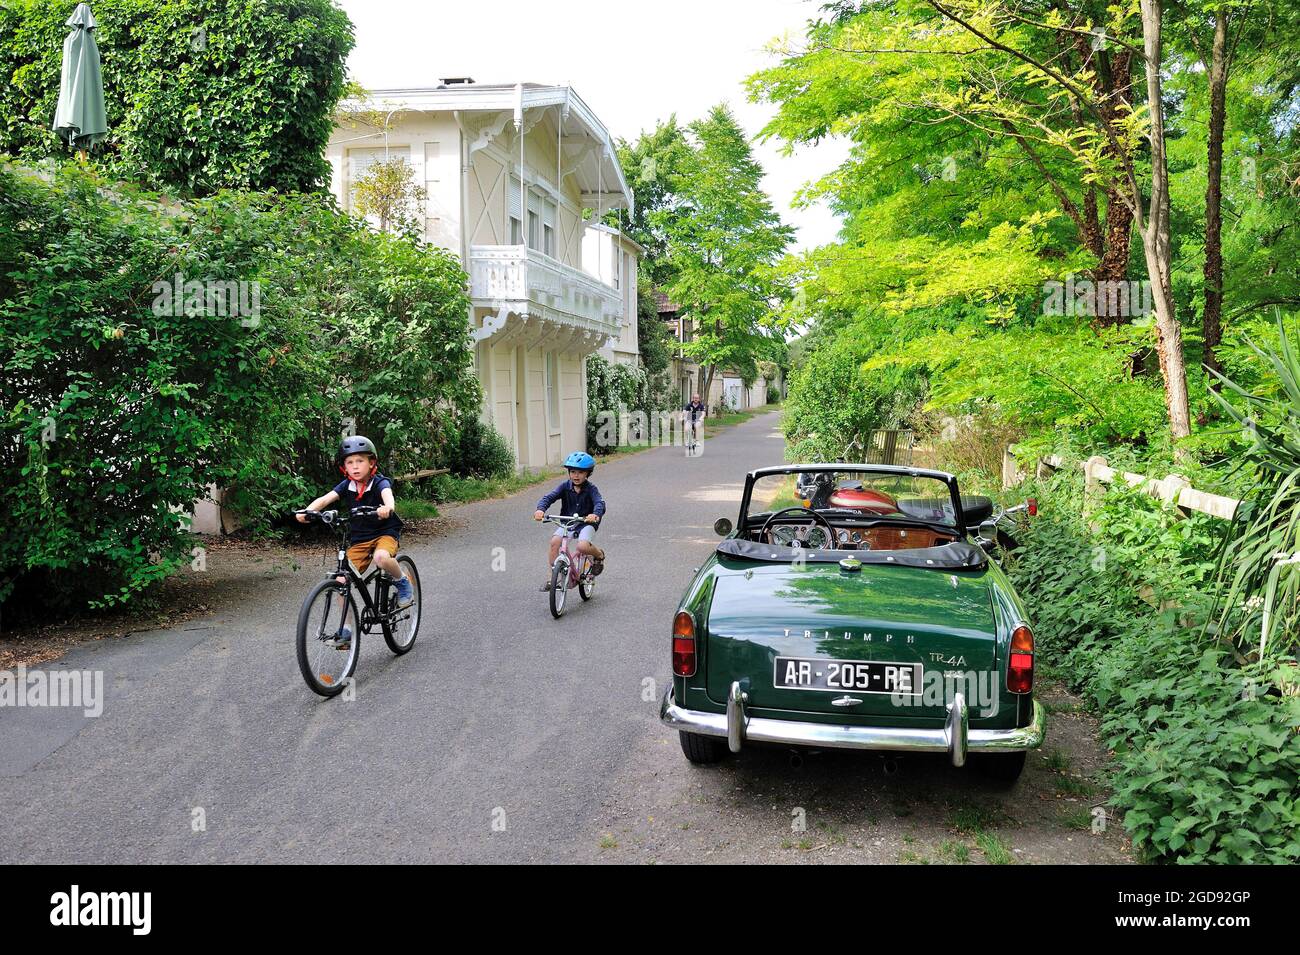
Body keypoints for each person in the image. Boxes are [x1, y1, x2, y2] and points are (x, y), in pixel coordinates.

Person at [298, 435, 413, 646]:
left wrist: (388, 508)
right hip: (360, 539)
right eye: (350, 462)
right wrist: (309, 511)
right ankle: (347, 629)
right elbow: (325, 499)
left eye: (360, 461)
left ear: (371, 463)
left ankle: (402, 582)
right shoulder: (346, 485)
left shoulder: (380, 482)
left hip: (385, 533)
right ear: (344, 467)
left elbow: (388, 496)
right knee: (341, 580)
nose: (355, 466)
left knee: (381, 558)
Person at [533, 451, 606, 591]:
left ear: (587, 474)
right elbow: (549, 497)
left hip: (586, 523)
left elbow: (599, 503)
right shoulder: (564, 486)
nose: (576, 476)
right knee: (555, 542)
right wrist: (540, 510)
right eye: (573, 472)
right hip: (568, 522)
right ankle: (552, 578)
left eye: (580, 472)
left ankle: (599, 555)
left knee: (583, 547)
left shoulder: (591, 489)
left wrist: (595, 514)